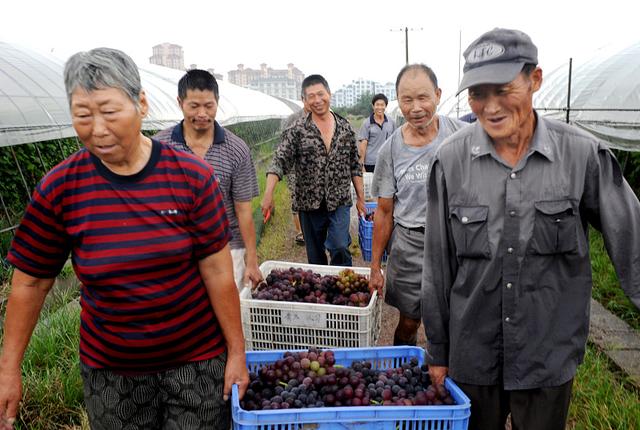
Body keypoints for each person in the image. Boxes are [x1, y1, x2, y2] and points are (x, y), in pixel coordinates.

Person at [0, 48, 249, 430]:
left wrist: (236, 352)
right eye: (83, 115)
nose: (97, 129)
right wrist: (8, 369)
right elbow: (31, 282)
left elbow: (217, 272)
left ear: (142, 104)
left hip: (196, 362)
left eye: (110, 112)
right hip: (112, 374)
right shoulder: (61, 188)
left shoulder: (190, 177)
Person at [421, 28, 640, 430]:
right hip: (474, 352)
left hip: (547, 352)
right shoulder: (449, 162)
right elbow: (436, 265)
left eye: (503, 89)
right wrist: (438, 349)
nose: (490, 107)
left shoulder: (581, 156)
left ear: (534, 80)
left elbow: (633, 242)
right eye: (477, 94)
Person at [369, 65, 466, 346]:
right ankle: (403, 369)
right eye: (407, 100)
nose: (416, 108)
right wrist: (375, 266)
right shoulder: (391, 149)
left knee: (458, 316)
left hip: (455, 239)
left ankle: (451, 373)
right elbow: (385, 212)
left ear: (437, 95)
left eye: (423, 98)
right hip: (410, 241)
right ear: (398, 101)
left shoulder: (462, 135)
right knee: (410, 319)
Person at [154, 69, 262, 292]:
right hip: (176, 250)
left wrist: (251, 260)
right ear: (180, 102)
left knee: (227, 314)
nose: (202, 113)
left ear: (217, 102)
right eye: (194, 106)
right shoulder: (159, 147)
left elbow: (244, 211)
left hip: (227, 248)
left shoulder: (236, 149)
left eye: (209, 106)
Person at [261, 74, 365, 266]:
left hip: (339, 200)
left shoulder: (345, 129)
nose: (317, 100)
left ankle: (342, 283)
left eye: (320, 94)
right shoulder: (297, 131)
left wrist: (361, 198)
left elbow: (354, 165)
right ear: (304, 100)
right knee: (315, 256)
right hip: (309, 203)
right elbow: (279, 161)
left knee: (339, 246)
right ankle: (321, 292)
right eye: (311, 96)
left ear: (329, 94)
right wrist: (268, 193)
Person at [280, 100, 311, 246]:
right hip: (294, 168)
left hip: (313, 168)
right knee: (296, 198)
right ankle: (300, 232)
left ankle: (312, 230)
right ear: (304, 99)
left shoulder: (323, 117)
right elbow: (284, 144)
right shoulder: (292, 119)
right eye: (309, 97)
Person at [358, 93, 397, 172]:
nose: (379, 107)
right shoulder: (367, 123)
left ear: (385, 106)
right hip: (370, 163)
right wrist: (361, 165)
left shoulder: (391, 122)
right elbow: (363, 145)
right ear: (373, 106)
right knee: (371, 184)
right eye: (377, 105)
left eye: (382, 105)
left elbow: (395, 142)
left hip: (387, 162)